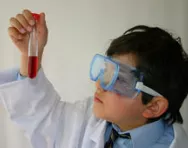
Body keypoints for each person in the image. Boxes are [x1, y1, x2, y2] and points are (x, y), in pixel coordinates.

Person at [0, 9, 188, 148]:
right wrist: (30, 53)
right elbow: (44, 117)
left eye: (120, 80)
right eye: (106, 71)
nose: (99, 84)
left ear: (153, 106)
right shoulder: (91, 115)